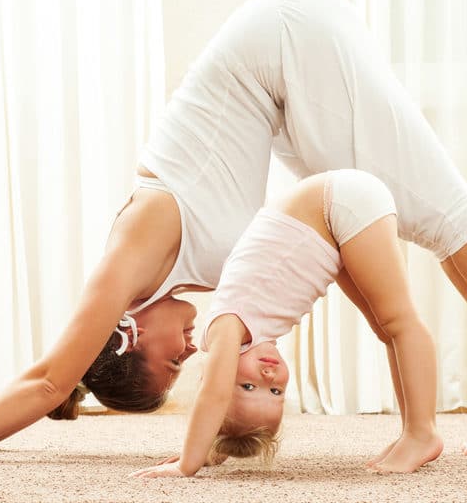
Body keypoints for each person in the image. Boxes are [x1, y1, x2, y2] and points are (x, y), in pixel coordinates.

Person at [0, 0, 467, 464]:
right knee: (411, 221)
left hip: (284, 46)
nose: (188, 358)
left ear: (131, 333)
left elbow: (49, 379)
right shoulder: (190, 273)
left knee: (442, 212)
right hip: (281, 71)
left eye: (171, 362)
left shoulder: (133, 249)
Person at [131, 169, 443, 477]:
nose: (269, 376)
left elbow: (214, 397)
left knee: (398, 322)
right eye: (276, 392)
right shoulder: (248, 330)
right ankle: (410, 432)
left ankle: (422, 433)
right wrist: (216, 449)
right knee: (386, 328)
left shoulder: (226, 327)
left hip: (334, 204)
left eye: (250, 386)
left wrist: (189, 462)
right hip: (332, 220)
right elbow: (223, 402)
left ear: (214, 375)